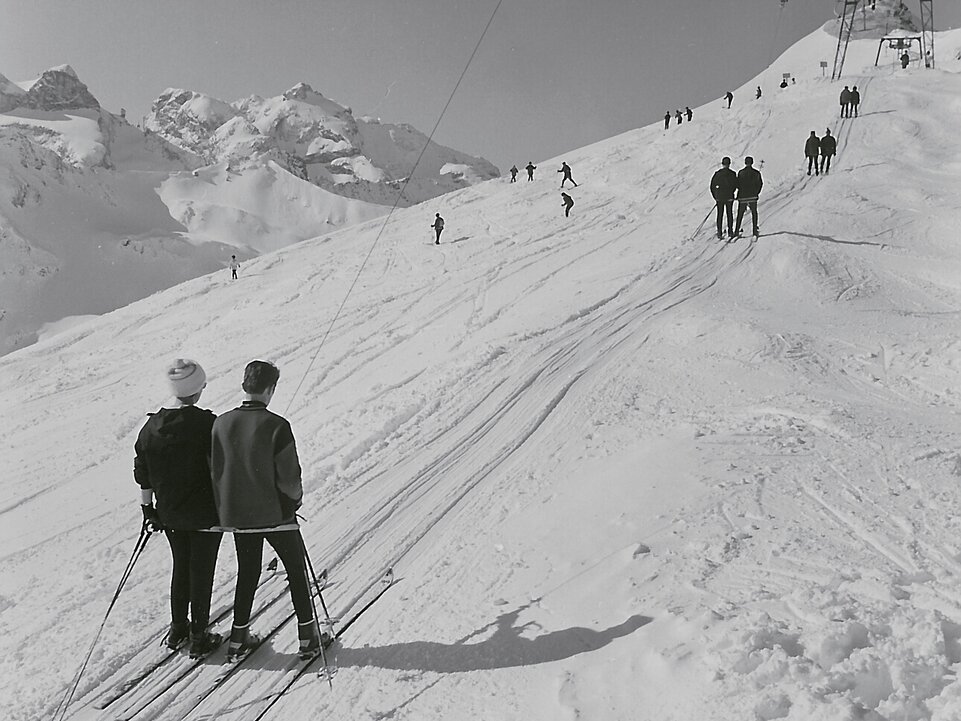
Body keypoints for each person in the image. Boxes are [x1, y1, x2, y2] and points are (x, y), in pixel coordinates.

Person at [210, 360, 325, 662]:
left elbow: (216, 470)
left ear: (244, 385)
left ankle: (238, 639)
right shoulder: (277, 425)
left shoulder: (220, 423)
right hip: (275, 515)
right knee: (296, 570)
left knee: (248, 572)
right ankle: (308, 637)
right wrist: (294, 501)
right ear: (271, 389)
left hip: (237, 515)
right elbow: (289, 478)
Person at [134, 359, 223, 659]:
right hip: (206, 514)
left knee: (181, 568)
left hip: (169, 514)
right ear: (196, 390)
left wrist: (148, 509)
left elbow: (142, 471)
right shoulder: (208, 424)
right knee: (202, 571)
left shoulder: (150, 427)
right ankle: (200, 635)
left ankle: (177, 629)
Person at [733, 156, 763, 238]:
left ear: (745, 163)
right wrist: (756, 193)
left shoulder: (740, 173)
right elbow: (760, 184)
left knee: (740, 214)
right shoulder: (757, 173)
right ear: (752, 163)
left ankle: (736, 231)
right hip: (753, 196)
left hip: (742, 197)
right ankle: (754, 230)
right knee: (754, 213)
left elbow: (737, 184)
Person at [710, 156, 737, 240]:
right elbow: (735, 185)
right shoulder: (732, 174)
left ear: (722, 164)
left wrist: (716, 196)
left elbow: (712, 186)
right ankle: (730, 231)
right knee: (729, 214)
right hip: (729, 197)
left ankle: (719, 232)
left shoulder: (717, 174)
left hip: (720, 198)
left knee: (720, 214)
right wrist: (731, 192)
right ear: (729, 164)